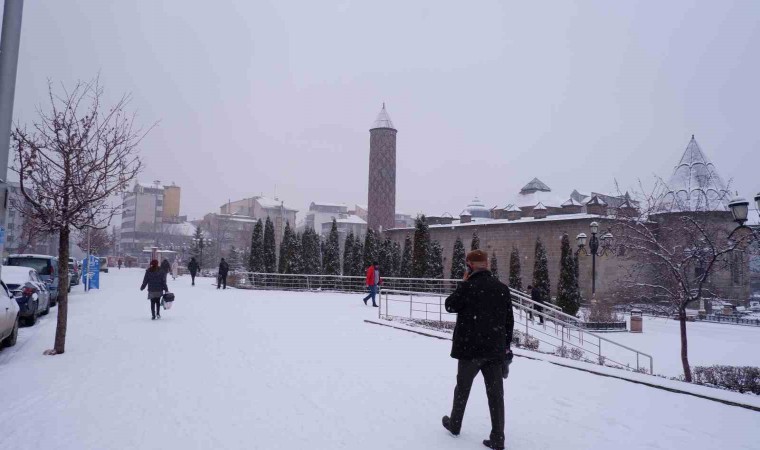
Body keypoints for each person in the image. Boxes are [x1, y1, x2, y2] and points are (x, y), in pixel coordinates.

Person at [442, 250, 514, 450]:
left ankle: (455, 425)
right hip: (494, 352)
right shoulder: (502, 289)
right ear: (486, 264)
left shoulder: (468, 287)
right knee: (496, 395)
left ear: (469, 266)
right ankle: (498, 438)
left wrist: (464, 284)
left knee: (462, 389)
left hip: (469, 350)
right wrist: (505, 347)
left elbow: (450, 305)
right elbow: (509, 322)